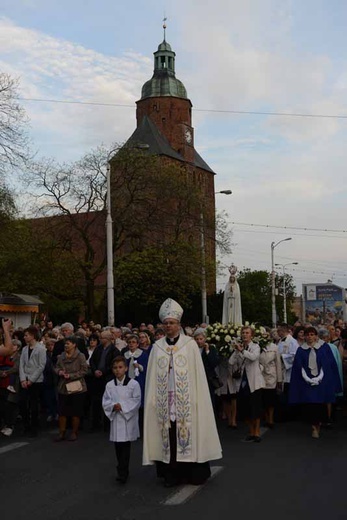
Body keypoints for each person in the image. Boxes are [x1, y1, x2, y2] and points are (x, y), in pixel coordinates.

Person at [143, 298, 222, 487]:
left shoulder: (190, 345)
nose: (168, 326)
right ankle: (171, 475)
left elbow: (198, 376)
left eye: (172, 323)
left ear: (179, 324)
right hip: (165, 400)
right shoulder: (157, 347)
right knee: (169, 437)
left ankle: (191, 474)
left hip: (187, 400)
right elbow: (152, 376)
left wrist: (196, 399)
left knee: (189, 434)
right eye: (166, 323)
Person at [289, 326, 341, 439]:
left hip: (321, 382)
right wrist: (306, 377)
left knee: (319, 404)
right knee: (311, 404)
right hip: (307, 382)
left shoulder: (324, 347)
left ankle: (319, 424)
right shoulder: (301, 349)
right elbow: (298, 366)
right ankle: (314, 427)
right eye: (308, 335)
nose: (310, 337)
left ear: (316, 336)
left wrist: (320, 377)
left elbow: (329, 364)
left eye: (312, 335)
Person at [102, 356, 141, 484]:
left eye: (120, 367)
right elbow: (106, 400)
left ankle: (123, 471)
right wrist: (113, 406)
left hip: (127, 419)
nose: (117, 370)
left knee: (125, 446)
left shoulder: (133, 384)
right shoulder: (109, 385)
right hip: (116, 418)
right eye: (115, 368)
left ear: (125, 368)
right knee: (118, 446)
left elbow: (136, 400)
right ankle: (121, 468)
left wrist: (122, 406)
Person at [231, 326, 265, 442]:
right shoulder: (240, 348)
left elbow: (253, 357)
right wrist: (236, 351)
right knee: (245, 409)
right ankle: (251, 431)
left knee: (255, 408)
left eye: (247, 333)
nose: (244, 335)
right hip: (243, 383)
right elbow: (231, 362)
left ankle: (257, 432)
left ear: (251, 335)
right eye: (243, 333)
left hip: (254, 382)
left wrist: (242, 351)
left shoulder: (256, 346)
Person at [54, 335, 89, 441]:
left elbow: (84, 370)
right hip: (63, 386)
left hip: (76, 386)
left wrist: (71, 375)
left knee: (75, 411)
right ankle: (62, 432)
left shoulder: (81, 356)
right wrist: (59, 372)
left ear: (74, 345)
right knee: (62, 411)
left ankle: (74, 432)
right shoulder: (61, 356)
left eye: (68, 343)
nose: (66, 345)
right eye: (65, 343)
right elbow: (56, 367)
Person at [19, 325, 47, 436]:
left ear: (32, 336)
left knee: (34, 405)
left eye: (26, 335)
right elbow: (21, 364)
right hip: (25, 379)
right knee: (22, 403)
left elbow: (41, 366)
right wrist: (22, 379)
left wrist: (31, 380)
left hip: (36, 381)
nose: (25, 337)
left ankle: (34, 427)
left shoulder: (41, 349)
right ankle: (26, 426)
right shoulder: (25, 349)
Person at [89, 329, 117, 431]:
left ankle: (107, 424)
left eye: (102, 338)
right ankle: (95, 423)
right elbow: (92, 361)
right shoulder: (98, 348)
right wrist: (95, 370)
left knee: (108, 402)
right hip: (97, 379)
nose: (100, 339)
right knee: (96, 401)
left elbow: (114, 364)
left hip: (107, 378)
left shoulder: (114, 350)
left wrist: (103, 372)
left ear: (108, 339)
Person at [276, 323, 299, 422]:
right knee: (282, 394)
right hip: (281, 370)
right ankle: (283, 414)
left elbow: (294, 356)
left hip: (289, 372)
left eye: (279, 330)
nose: (277, 332)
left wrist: (282, 357)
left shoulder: (293, 342)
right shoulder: (280, 341)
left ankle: (290, 415)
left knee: (289, 393)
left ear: (284, 330)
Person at [259, 334, 282, 428]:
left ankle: (271, 419)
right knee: (263, 398)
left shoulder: (275, 348)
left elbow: (278, 364)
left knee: (271, 399)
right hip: (261, 375)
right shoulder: (258, 347)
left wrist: (279, 379)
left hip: (271, 376)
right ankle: (266, 417)